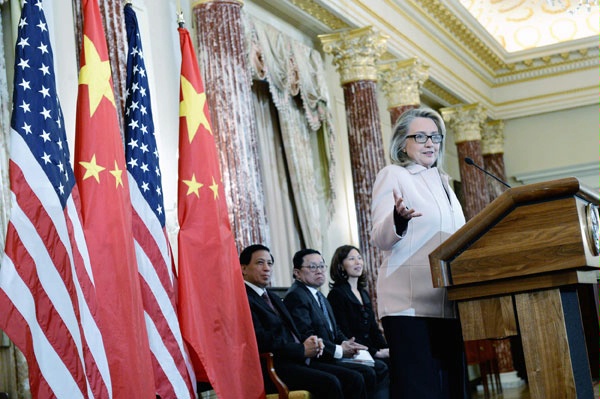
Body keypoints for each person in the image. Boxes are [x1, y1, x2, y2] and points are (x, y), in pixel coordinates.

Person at [370, 107, 469, 398]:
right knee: (420, 390)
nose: (430, 143)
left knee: (451, 389)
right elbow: (379, 236)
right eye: (421, 136)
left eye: (435, 137)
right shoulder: (394, 175)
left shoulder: (446, 185)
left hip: (447, 301)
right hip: (408, 304)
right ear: (403, 143)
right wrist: (398, 219)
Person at [240, 244, 368, 399]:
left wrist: (312, 342)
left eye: (270, 263)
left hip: (296, 359)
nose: (267, 268)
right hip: (274, 365)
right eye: (260, 263)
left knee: (354, 377)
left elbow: (294, 331)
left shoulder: (272, 297)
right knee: (332, 381)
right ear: (244, 268)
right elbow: (261, 340)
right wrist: (301, 349)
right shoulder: (243, 299)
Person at [284, 248, 389, 399]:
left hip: (330, 353)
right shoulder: (296, 296)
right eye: (313, 267)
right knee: (360, 375)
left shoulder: (318, 295)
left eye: (321, 266)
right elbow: (307, 336)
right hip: (315, 359)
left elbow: (335, 330)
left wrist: (348, 344)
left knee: (376, 368)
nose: (319, 271)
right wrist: (339, 350)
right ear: (297, 272)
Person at [327, 245, 390, 364]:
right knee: (382, 366)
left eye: (359, 258)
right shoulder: (336, 294)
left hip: (370, 349)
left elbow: (373, 328)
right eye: (351, 259)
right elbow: (344, 332)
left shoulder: (363, 293)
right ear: (340, 265)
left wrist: (385, 349)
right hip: (354, 351)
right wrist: (375, 352)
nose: (358, 262)